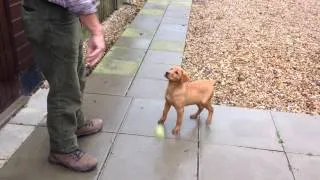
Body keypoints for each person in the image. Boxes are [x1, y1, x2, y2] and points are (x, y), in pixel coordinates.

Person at [21, 0, 106, 172]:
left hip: (64, 12)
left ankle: (75, 124)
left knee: (75, 72)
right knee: (64, 84)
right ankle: (63, 147)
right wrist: (97, 30)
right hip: (50, 16)